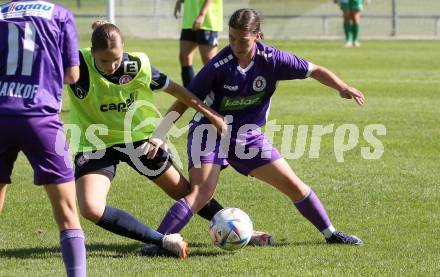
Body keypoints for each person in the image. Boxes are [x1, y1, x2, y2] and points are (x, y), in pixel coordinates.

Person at [155, 8, 366, 246]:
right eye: (231, 38)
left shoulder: (272, 60)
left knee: (294, 185)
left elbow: (315, 70)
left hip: (247, 136)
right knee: (202, 194)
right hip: (208, 132)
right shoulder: (219, 65)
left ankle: (331, 234)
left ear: (257, 35)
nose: (235, 45)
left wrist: (342, 87)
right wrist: (160, 134)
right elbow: (186, 98)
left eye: (242, 40)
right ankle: (155, 242)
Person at [67, 21, 271, 259]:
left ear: (124, 50)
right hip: (95, 144)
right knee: (90, 208)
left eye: (116, 59)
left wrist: (210, 115)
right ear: (92, 54)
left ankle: (239, 228)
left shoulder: (136, 65)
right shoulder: (77, 65)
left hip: (140, 141)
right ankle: (161, 240)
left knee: (188, 193)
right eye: (104, 61)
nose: (112, 66)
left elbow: (179, 92)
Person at [0, 1, 86, 276]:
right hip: (41, 118)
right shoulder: (60, 15)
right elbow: (73, 75)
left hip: (1, 113)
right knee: (67, 210)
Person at [174, 0, 223, 87]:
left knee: (210, 63)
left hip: (207, 22)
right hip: (189, 20)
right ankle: (190, 93)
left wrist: (201, 14)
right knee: (184, 57)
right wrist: (179, 2)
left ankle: (218, 94)